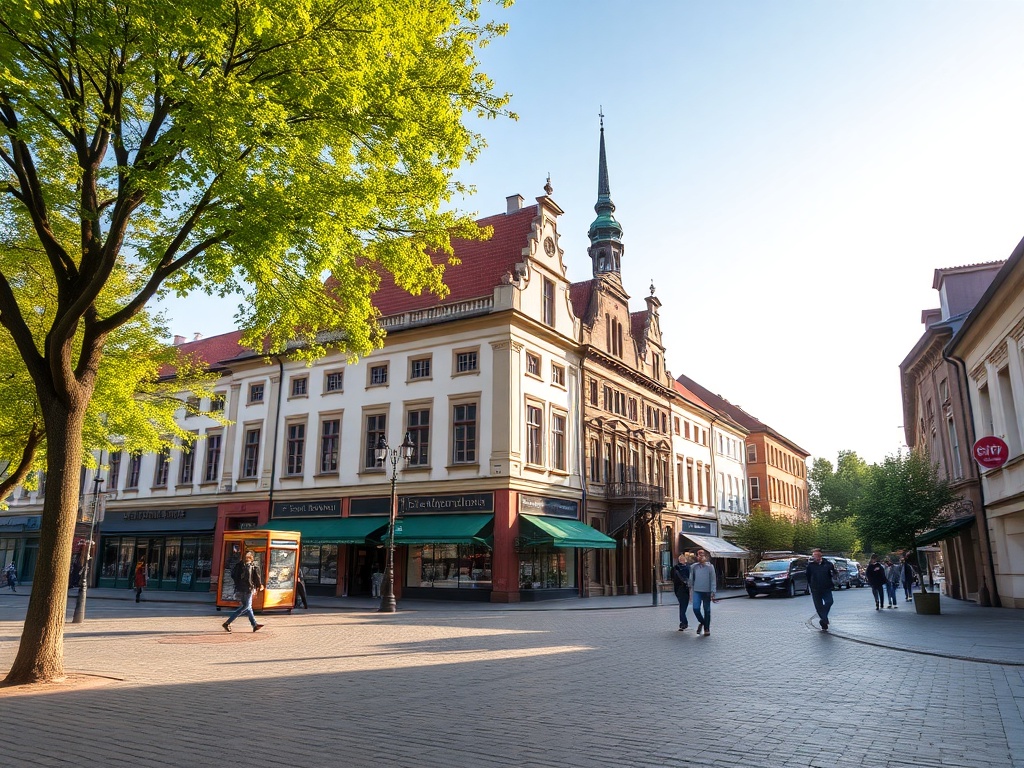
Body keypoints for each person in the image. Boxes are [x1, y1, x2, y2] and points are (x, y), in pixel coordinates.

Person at [222, 551, 265, 633]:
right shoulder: (250, 566)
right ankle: (227, 622)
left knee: (249, 607)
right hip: (248, 589)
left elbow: (233, 575)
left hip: (240, 589)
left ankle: (254, 625)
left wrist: (238, 584)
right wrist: (258, 585)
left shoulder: (238, 565)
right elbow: (254, 578)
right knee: (246, 607)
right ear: (251, 558)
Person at [805, 548, 837, 631]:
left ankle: (823, 618)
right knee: (818, 606)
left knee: (829, 602)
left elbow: (833, 573)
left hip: (826, 587)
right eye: (813, 555)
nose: (814, 557)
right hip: (815, 589)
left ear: (820, 555)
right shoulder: (810, 566)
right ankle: (824, 621)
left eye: (815, 555)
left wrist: (834, 575)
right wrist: (811, 585)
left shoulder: (828, 564)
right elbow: (808, 576)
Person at [687, 549, 716, 637]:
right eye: (699, 554)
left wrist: (713, 591)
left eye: (702, 554)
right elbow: (691, 579)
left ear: (705, 556)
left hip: (707, 591)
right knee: (695, 608)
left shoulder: (710, 567)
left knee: (707, 610)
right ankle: (702, 622)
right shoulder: (693, 567)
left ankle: (706, 628)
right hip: (697, 590)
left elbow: (713, 580)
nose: (700, 556)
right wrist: (690, 590)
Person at [670, 553, 692, 631]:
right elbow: (690, 579)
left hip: (677, 589)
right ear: (684, 560)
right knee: (683, 607)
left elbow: (672, 578)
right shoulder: (687, 568)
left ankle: (682, 623)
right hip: (685, 589)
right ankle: (684, 622)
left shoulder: (674, 568)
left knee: (681, 605)